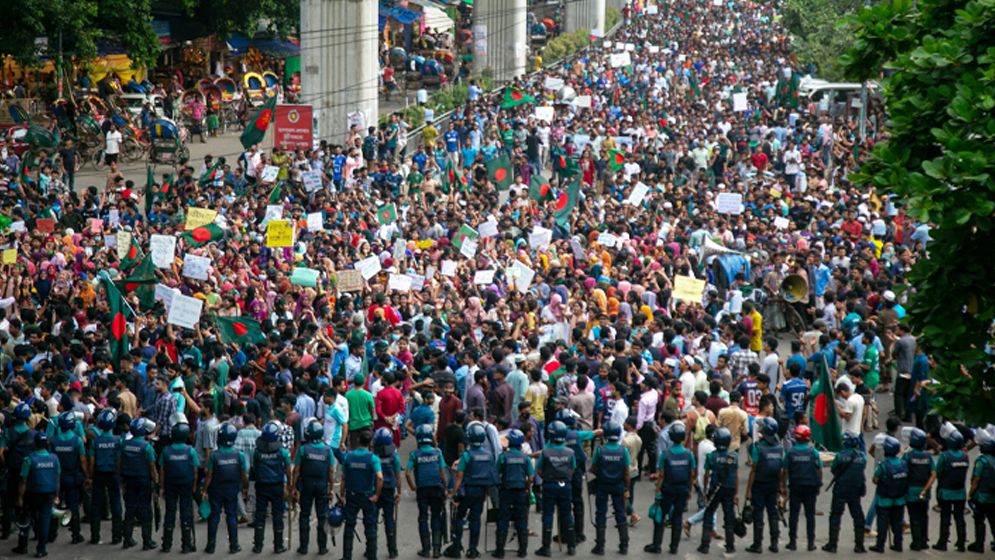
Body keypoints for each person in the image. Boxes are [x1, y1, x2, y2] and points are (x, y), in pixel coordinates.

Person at [446, 422, 496, 559]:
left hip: (466, 491)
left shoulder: (466, 456)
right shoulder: (489, 455)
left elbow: (459, 476)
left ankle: (456, 547)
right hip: (480, 492)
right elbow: (490, 476)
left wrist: (454, 493)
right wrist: (486, 493)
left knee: (459, 518)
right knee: (476, 520)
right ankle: (472, 549)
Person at [645, 422, 693, 554]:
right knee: (677, 517)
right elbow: (691, 474)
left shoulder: (665, 454)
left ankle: (656, 545)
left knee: (660, 516)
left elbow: (661, 475)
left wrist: (657, 491)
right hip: (682, 489)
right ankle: (674, 547)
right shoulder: (689, 454)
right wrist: (689, 490)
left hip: (667, 489)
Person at [202, 422, 248, 554]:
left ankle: (211, 546)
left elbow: (209, 476)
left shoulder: (214, 455)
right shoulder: (239, 455)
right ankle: (234, 545)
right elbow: (243, 474)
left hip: (216, 489)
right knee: (232, 516)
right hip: (232, 489)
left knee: (214, 516)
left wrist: (205, 490)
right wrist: (244, 488)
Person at [291, 418, 335, 555]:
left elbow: (296, 470)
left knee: (304, 515)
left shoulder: (303, 450)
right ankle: (322, 547)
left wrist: (293, 487)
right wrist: (331, 488)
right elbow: (331, 471)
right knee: (322, 516)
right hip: (322, 485)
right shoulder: (328, 450)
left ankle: (303, 547)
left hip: (306, 485)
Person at [556, 410, 601, 542]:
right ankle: (579, 533)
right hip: (577, 472)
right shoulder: (576, 434)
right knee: (577, 501)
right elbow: (596, 433)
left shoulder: (555, 438)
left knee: (563, 503)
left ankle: (564, 533)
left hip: (561, 474)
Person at [920, 430, 969, 551]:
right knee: (959, 518)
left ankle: (942, 542)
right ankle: (962, 543)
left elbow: (937, 473)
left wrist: (930, 489)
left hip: (946, 492)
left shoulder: (944, 456)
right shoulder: (965, 456)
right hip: (960, 492)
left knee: (945, 518)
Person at [533, 420, 576, 557]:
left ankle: (546, 547)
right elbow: (572, 469)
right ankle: (571, 546)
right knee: (567, 514)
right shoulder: (570, 452)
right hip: (565, 485)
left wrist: (547, 477)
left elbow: (538, 469)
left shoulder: (545, 452)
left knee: (547, 515)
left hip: (549, 485)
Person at [339, 429, 382, 560]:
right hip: (367, 496)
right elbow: (380, 478)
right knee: (370, 526)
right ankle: (372, 555)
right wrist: (376, 496)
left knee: (349, 526)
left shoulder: (348, 456)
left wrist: (342, 494)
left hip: (352, 495)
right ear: (370, 443)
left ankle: (347, 556)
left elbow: (343, 477)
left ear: (358, 441)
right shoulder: (373, 458)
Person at [406, 424, 447, 558]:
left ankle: (426, 549)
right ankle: (436, 549)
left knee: (423, 518)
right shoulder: (438, 452)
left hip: (422, 490)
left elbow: (407, 473)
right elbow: (442, 473)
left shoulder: (415, 454)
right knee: (436, 517)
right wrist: (446, 488)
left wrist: (413, 487)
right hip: (437, 489)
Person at [589, 421, 630, 555]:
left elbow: (593, 468)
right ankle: (624, 545)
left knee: (601, 513)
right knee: (620, 513)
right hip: (618, 485)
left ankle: (600, 545)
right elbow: (626, 472)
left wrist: (601, 474)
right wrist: (627, 488)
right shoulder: (623, 451)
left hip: (602, 485)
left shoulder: (600, 450)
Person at [823, 431, 867, 553]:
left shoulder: (840, 456)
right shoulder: (862, 456)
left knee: (836, 515)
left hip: (841, 488)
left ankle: (832, 544)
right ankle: (859, 545)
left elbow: (833, 469)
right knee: (857, 515)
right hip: (856, 489)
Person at [252, 420, 292, 553]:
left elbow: (254, 467)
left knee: (260, 516)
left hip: (261, 486)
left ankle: (258, 545)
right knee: (278, 516)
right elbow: (288, 469)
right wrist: (290, 485)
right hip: (277, 486)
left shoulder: (257, 452)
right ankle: (278, 545)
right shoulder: (282, 452)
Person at [744, 417, 784, 553]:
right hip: (773, 485)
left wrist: (748, 490)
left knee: (758, 514)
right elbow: (781, 470)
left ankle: (757, 544)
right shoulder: (780, 448)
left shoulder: (758, 448)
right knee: (773, 513)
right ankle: (774, 544)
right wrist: (781, 488)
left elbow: (753, 469)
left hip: (759, 485)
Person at [16, 432, 59, 557]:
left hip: (32, 494)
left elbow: (23, 480)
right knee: (45, 520)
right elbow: (57, 479)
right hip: (48, 494)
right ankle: (41, 549)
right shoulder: (54, 458)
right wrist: (56, 496)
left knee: (26, 519)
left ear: (35, 444)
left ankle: (22, 545)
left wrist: (20, 497)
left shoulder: (29, 459)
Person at [158, 420, 198, 553]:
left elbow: (162, 470)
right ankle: (186, 544)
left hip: (170, 485)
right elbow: (195, 471)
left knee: (170, 513)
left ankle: (166, 544)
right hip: (186, 485)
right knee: (186, 513)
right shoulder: (190, 451)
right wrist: (194, 486)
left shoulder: (166, 451)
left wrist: (162, 487)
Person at [781, 424, 822, 551]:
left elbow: (785, 470)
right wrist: (819, 484)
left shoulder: (790, 452)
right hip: (810, 486)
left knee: (794, 514)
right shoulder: (813, 452)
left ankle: (792, 542)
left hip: (795, 487)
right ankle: (811, 543)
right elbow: (819, 469)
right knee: (810, 515)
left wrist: (783, 485)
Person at [493, 428, 534, 559]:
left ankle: (500, 551)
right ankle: (522, 551)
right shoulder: (525, 458)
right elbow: (531, 477)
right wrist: (526, 488)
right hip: (521, 492)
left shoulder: (503, 457)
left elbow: (496, 473)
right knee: (521, 521)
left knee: (503, 520)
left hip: (506, 491)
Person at [698, 426, 738, 554]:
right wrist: (736, 493)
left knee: (709, 514)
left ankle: (705, 545)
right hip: (729, 488)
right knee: (729, 516)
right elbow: (735, 475)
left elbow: (706, 474)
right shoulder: (733, 456)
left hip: (715, 488)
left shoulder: (711, 456)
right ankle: (730, 545)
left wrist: (704, 490)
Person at [120, 417, 158, 550]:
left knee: (129, 509)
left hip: (129, 480)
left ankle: (127, 539)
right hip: (143, 481)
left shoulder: (124, 444)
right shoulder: (147, 447)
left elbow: (120, 463)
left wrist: (122, 481)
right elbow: (152, 467)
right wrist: (156, 481)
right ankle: (147, 541)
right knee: (145, 510)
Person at [50, 412, 87, 544]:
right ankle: (76, 534)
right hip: (73, 477)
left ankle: (51, 534)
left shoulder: (54, 440)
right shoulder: (77, 440)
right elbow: (83, 460)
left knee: (55, 505)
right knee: (74, 505)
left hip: (57, 478)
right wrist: (87, 475)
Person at [87, 408, 122, 545]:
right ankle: (117, 536)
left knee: (96, 505)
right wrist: (119, 475)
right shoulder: (118, 441)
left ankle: (95, 536)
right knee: (116, 505)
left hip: (98, 475)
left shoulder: (96, 441)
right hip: (113, 474)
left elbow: (91, 460)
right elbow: (119, 460)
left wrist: (89, 476)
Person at [2, 403, 36, 540]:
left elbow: (0, 452)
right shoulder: (34, 434)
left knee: (8, 503)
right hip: (28, 474)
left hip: (13, 471)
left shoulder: (8, 432)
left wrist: (6, 464)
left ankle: (5, 531)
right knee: (27, 505)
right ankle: (30, 534)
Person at [869, 436, 907, 553]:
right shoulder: (903, 463)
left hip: (884, 499)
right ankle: (898, 544)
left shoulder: (883, 465)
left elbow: (875, 480)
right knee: (897, 522)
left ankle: (880, 545)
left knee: (882, 523)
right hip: (899, 499)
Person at [903, 428, 934, 551]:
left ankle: (916, 542)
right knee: (923, 515)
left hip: (911, 490)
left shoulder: (908, 456)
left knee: (914, 516)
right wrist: (926, 489)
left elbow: (902, 470)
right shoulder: (928, 456)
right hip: (925, 491)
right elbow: (933, 473)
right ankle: (924, 540)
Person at [373, 427, 402, 558]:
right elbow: (398, 477)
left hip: (375, 491)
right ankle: (392, 550)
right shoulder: (394, 457)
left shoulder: (373, 457)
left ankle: (371, 549)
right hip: (389, 491)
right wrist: (399, 492)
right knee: (389, 520)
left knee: (372, 520)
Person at [967, 433, 995, 552]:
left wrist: (970, 494)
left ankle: (979, 544)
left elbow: (976, 479)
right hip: (993, 496)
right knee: (993, 520)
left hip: (982, 496)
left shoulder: (981, 461)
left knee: (979, 520)